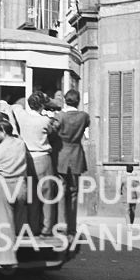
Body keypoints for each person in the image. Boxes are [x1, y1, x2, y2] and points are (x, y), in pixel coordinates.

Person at [0, 91, 58, 236]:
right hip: (43, 158)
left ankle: (32, 227)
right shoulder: (45, 121)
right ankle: (46, 228)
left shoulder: (22, 115)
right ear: (42, 105)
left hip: (26, 157)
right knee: (46, 194)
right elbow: (52, 130)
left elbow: (13, 106)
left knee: (31, 195)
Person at [0, 120, 30, 270]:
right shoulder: (21, 144)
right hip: (21, 186)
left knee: (3, 224)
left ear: (3, 132)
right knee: (18, 223)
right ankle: (19, 254)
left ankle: (7, 261)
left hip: (4, 186)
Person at [53, 88, 90, 237]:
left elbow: (53, 130)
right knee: (73, 193)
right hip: (76, 156)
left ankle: (61, 225)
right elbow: (86, 126)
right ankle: (72, 228)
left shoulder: (60, 116)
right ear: (78, 101)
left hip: (61, 155)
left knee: (60, 191)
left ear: (65, 101)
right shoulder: (84, 117)